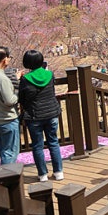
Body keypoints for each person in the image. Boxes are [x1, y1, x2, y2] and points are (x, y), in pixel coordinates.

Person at [18, 50, 63, 182]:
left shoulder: (26, 79)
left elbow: (22, 98)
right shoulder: (50, 74)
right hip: (52, 113)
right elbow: (52, 91)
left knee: (37, 146)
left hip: (34, 116)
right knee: (53, 143)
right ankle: (58, 172)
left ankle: (42, 174)